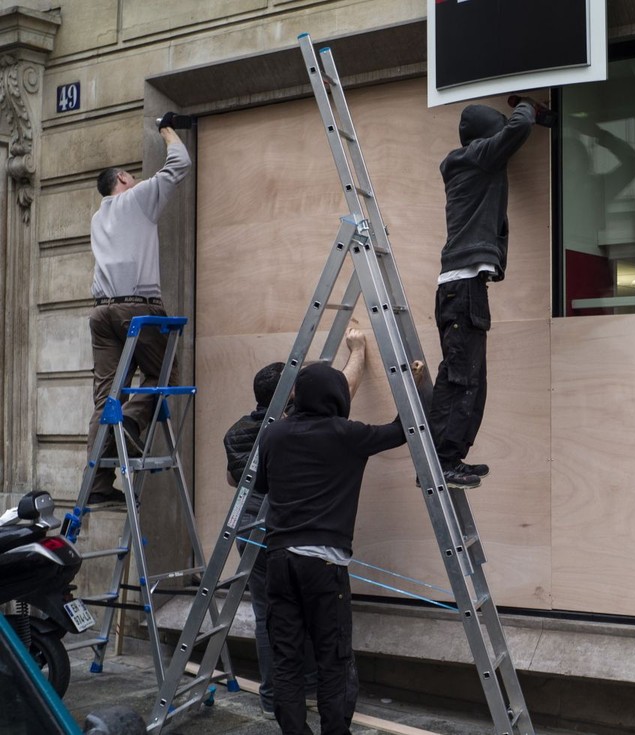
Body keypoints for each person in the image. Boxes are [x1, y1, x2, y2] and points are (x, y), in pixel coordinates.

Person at [222, 329, 368, 719]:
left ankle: (276, 699)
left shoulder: (238, 431)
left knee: (273, 617)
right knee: (321, 616)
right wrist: (358, 349)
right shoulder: (293, 427)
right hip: (290, 529)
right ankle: (316, 696)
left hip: (249, 527)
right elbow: (347, 386)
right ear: (288, 398)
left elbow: (234, 479)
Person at [255, 362, 407, 735]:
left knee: (287, 661)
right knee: (332, 660)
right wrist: (416, 384)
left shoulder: (273, 435)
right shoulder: (346, 434)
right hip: (324, 566)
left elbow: (261, 486)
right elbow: (403, 430)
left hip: (278, 561)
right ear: (337, 396)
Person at [427, 98, 550, 489]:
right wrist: (526, 105)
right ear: (483, 137)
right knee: (464, 378)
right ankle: (442, 461)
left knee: (467, 378)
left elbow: (513, 135)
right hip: (462, 288)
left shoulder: (474, 162)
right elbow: (517, 131)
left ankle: (449, 458)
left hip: (463, 288)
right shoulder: (475, 157)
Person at [87, 114, 192, 510]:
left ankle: (97, 485)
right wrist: (166, 129)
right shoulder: (136, 198)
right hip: (136, 309)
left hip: (102, 312)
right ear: (124, 179)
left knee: (104, 397)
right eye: (131, 176)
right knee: (167, 371)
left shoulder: (99, 217)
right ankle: (128, 426)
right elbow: (179, 165)